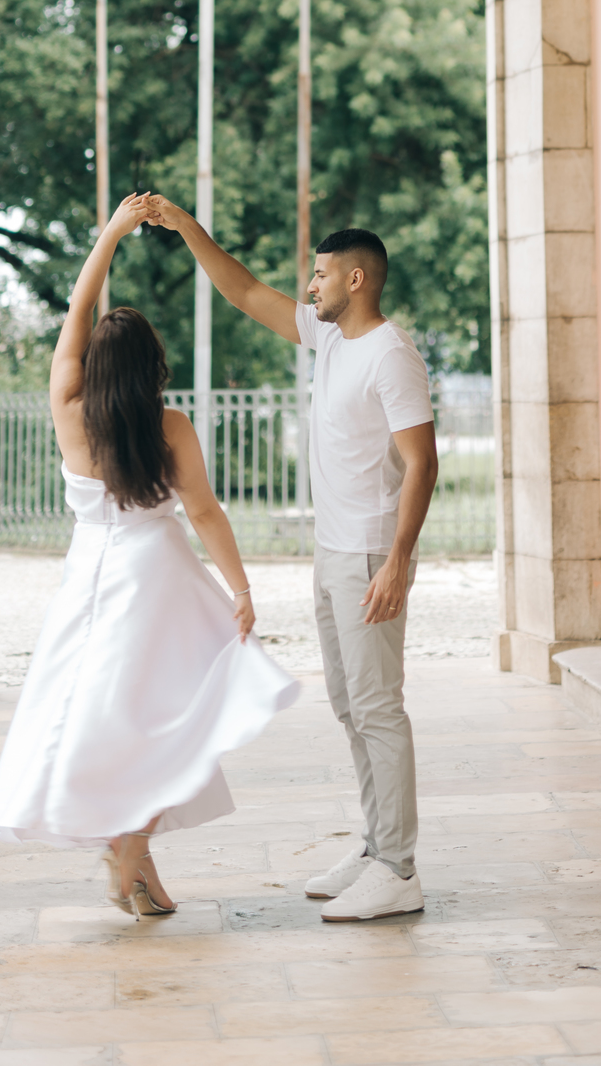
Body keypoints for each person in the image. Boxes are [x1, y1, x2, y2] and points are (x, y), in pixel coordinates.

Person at [0, 193, 298, 917]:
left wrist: (113, 234)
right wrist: (241, 588)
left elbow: (77, 312)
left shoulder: (68, 407)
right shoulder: (170, 424)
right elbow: (206, 513)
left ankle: (130, 849)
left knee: (101, 720)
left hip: (92, 575)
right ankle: (135, 855)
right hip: (162, 578)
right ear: (153, 364)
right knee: (168, 722)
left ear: (93, 362)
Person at [144, 199, 438, 922]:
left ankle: (399, 870)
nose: (309, 287)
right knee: (350, 707)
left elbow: (423, 462)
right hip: (333, 549)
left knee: (377, 709)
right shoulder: (333, 339)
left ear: (358, 279)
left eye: (320, 276)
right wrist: (187, 228)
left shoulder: (391, 355)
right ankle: (375, 849)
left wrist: (397, 561)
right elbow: (243, 291)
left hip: (370, 550)